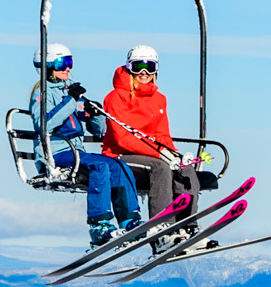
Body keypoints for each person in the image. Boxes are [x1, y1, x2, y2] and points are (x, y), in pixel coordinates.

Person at [30, 44, 141, 246]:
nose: (68, 68)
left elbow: (98, 132)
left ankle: (129, 219)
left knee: (118, 165)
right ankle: (99, 225)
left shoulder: (70, 92)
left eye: (70, 62)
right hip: (55, 152)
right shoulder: (42, 94)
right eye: (62, 63)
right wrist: (71, 100)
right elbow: (44, 124)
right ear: (47, 66)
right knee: (100, 166)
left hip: (75, 152)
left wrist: (95, 114)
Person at [102, 44, 209, 249]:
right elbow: (122, 138)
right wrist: (160, 153)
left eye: (149, 67)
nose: (144, 73)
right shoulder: (116, 97)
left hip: (154, 153)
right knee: (160, 168)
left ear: (156, 70)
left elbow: (162, 134)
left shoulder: (159, 99)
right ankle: (160, 229)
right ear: (129, 67)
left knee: (184, 169)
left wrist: (173, 154)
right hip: (121, 155)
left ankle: (186, 226)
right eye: (138, 66)